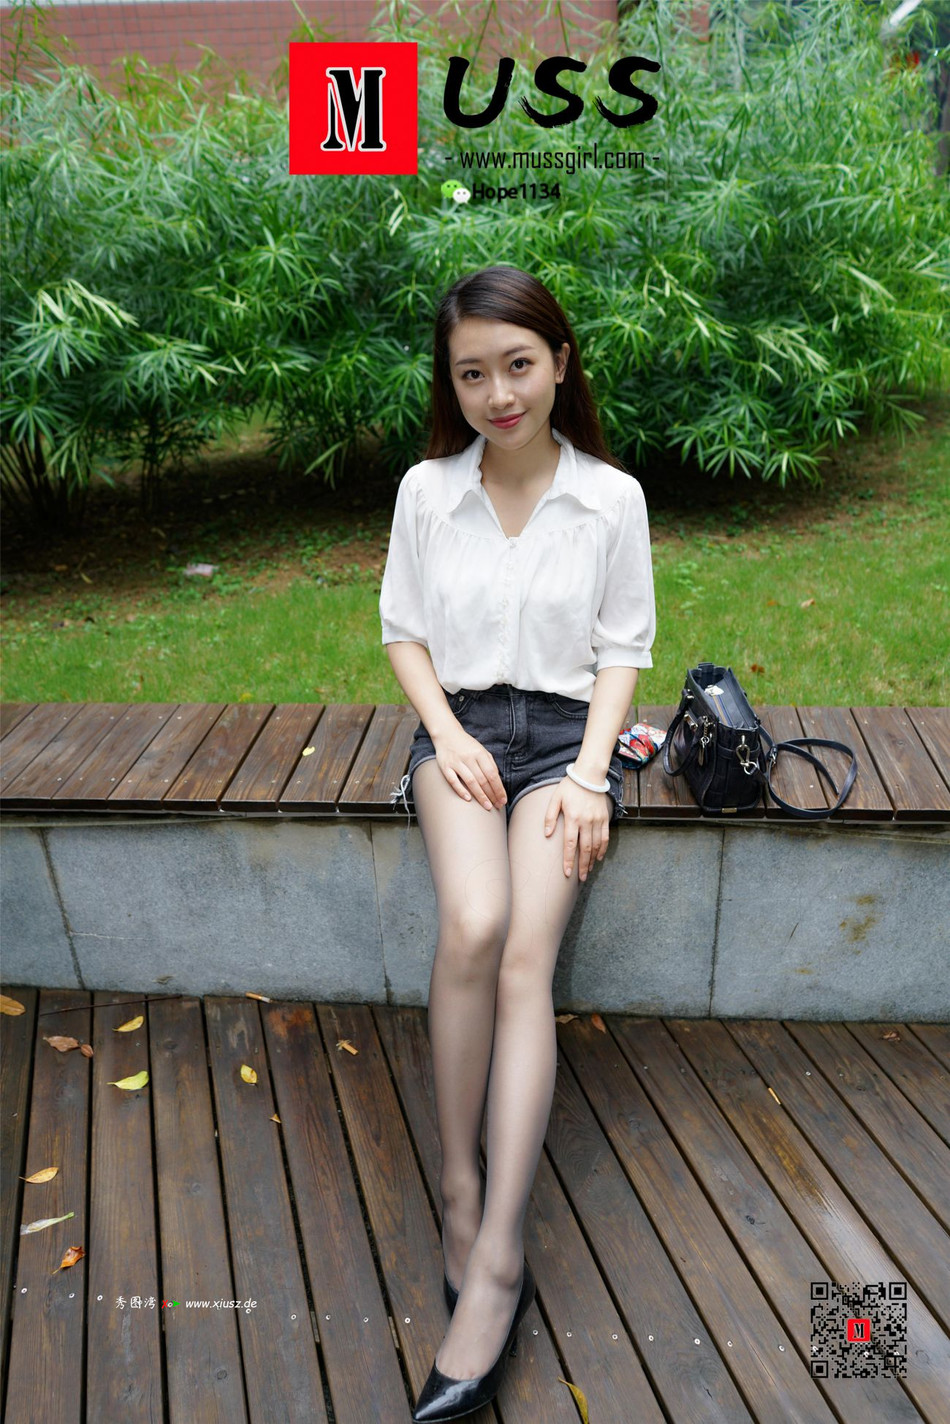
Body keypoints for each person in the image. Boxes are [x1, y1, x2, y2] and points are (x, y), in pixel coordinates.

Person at [378, 265, 655, 1422]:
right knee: (474, 922)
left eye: (518, 365)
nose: (498, 393)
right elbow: (402, 632)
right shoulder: (426, 492)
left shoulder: (610, 498)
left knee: (525, 957)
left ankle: (495, 1252)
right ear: (450, 384)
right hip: (457, 732)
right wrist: (444, 735)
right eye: (471, 373)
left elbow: (621, 647)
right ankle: (456, 1184)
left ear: (559, 362)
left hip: (560, 744)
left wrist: (590, 776)